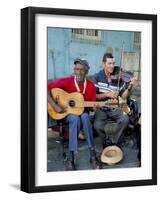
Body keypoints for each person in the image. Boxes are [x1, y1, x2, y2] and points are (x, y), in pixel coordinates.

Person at [48, 58, 100, 170]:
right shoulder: (68, 81)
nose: (79, 72)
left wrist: (94, 108)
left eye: (82, 70)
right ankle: (71, 157)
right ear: (74, 70)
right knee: (74, 119)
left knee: (85, 117)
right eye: (77, 69)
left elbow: (91, 107)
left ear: (86, 71)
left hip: (83, 113)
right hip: (67, 113)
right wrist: (54, 105)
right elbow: (46, 87)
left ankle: (92, 155)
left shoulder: (90, 86)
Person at [93, 53, 136, 148]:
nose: (112, 66)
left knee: (125, 119)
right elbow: (94, 96)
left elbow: (123, 97)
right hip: (102, 108)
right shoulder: (97, 77)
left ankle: (114, 141)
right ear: (103, 64)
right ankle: (105, 140)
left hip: (115, 107)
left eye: (113, 63)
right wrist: (107, 94)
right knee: (97, 125)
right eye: (109, 63)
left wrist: (130, 86)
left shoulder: (119, 78)